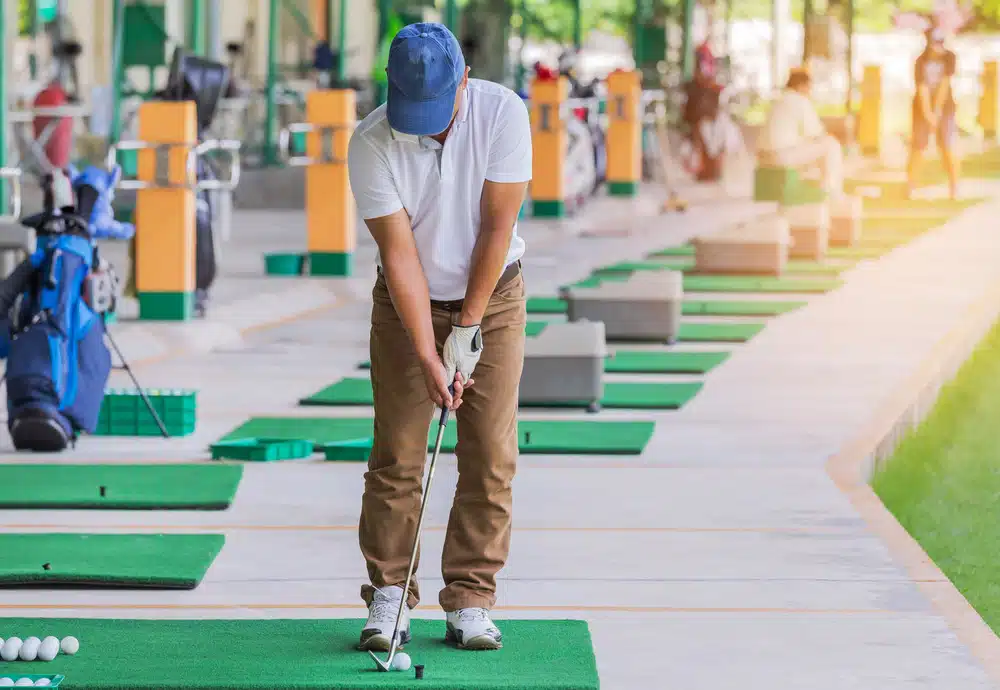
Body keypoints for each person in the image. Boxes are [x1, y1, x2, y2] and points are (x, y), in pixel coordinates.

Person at [347, 22, 531, 652]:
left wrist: (470, 328)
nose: (424, 124)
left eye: (438, 108)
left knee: (489, 450)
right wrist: (429, 352)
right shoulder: (371, 141)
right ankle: (390, 595)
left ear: (465, 82)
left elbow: (496, 228)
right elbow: (399, 255)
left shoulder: (503, 114)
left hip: (495, 293)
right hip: (408, 301)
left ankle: (472, 598)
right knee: (398, 452)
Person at [757, 67, 844, 199]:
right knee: (831, 145)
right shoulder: (800, 100)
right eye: (809, 87)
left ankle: (810, 185)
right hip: (781, 156)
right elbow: (817, 133)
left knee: (809, 147)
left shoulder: (778, 101)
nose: (810, 91)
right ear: (802, 85)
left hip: (763, 157)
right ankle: (832, 191)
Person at [908, 27, 960, 199]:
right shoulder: (920, 61)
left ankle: (954, 187)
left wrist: (936, 111)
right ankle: (911, 186)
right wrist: (928, 114)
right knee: (918, 146)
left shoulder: (949, 58)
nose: (938, 47)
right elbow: (921, 89)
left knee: (947, 145)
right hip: (921, 107)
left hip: (945, 107)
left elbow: (945, 85)